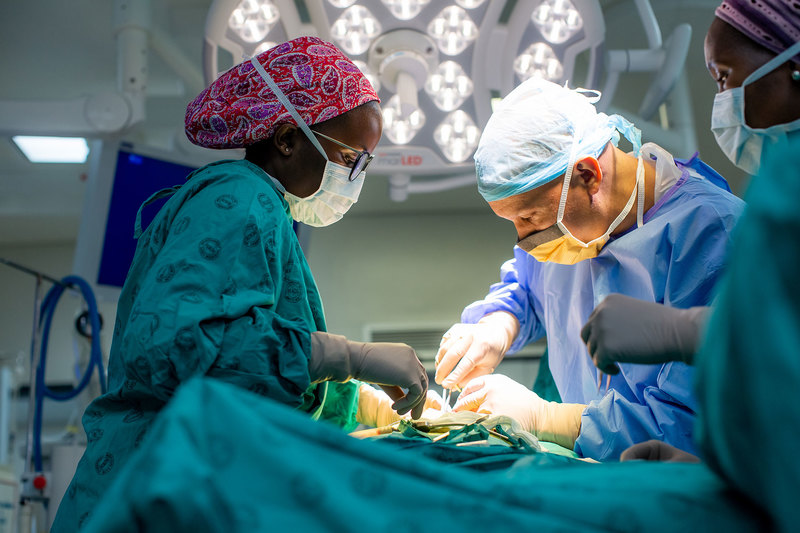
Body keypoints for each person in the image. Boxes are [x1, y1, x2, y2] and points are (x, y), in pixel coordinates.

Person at [52, 36, 431, 531]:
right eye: (351, 159)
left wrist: (356, 398)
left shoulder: (267, 213)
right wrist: (349, 358)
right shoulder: (236, 199)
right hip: (152, 494)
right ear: (288, 139)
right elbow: (175, 347)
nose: (356, 176)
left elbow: (251, 377)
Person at [436, 77, 744, 460]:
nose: (524, 240)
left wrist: (547, 417)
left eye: (530, 217)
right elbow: (529, 288)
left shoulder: (714, 234)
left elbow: (694, 426)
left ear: (587, 175)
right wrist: (496, 326)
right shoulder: (570, 229)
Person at [584, 1, 800, 464]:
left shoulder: (770, 198)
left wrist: (686, 332)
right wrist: (712, 469)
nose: (723, 101)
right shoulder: (781, 185)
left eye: (724, 77)